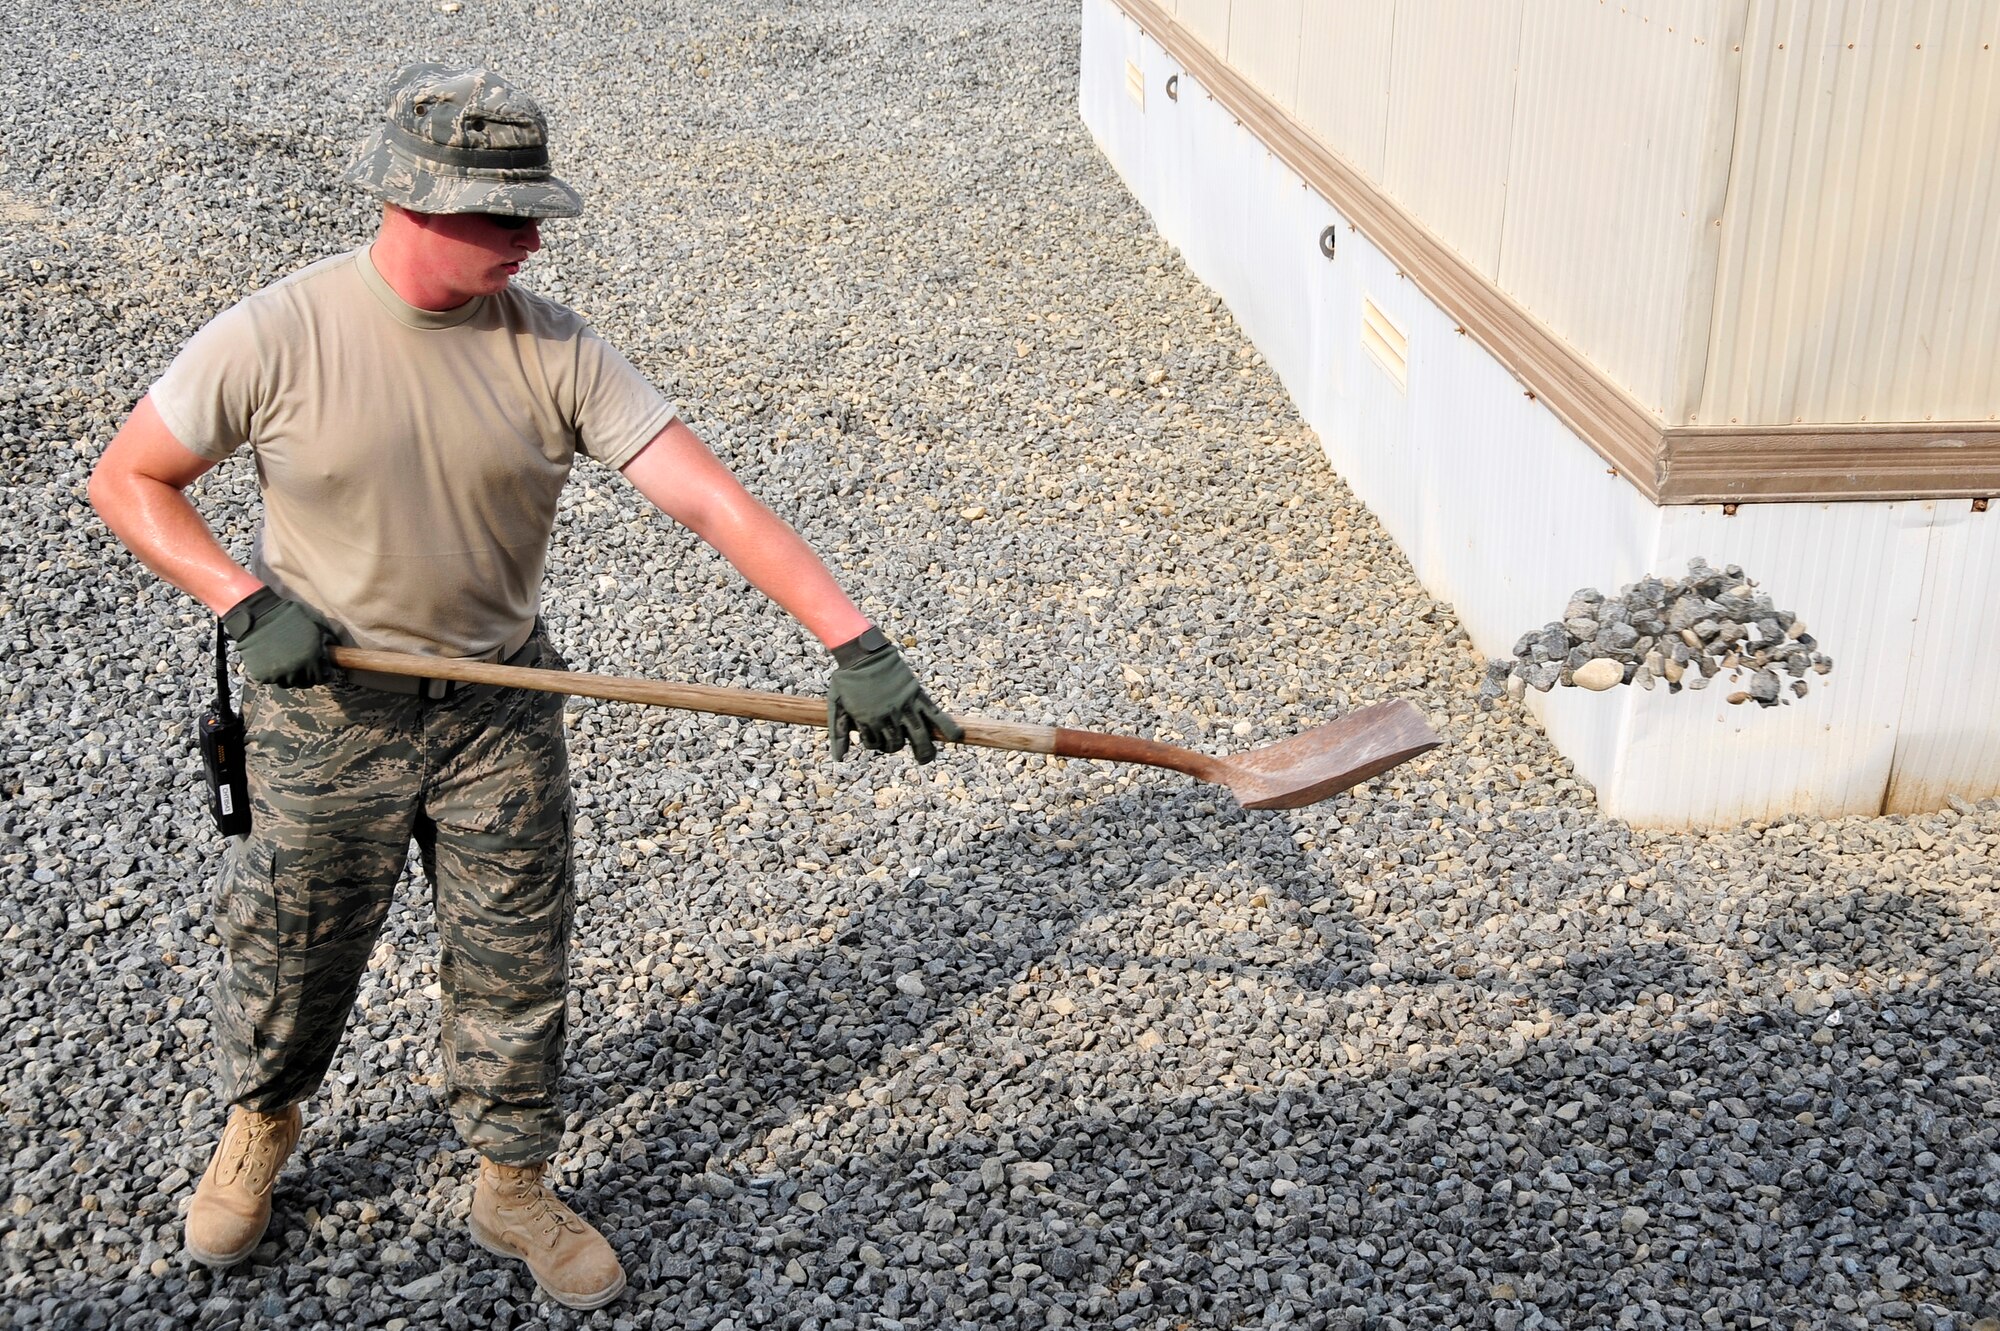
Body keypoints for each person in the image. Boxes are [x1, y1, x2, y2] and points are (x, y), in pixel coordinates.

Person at [87, 63, 961, 1311]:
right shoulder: (275, 334)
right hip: (329, 703)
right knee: (294, 947)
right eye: (505, 216)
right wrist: (243, 601)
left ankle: (510, 1178)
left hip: (498, 704)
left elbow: (705, 495)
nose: (532, 239)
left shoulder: (553, 348)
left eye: (532, 214)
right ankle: (264, 1122)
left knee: (513, 956)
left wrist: (852, 641)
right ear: (415, 204)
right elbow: (128, 480)